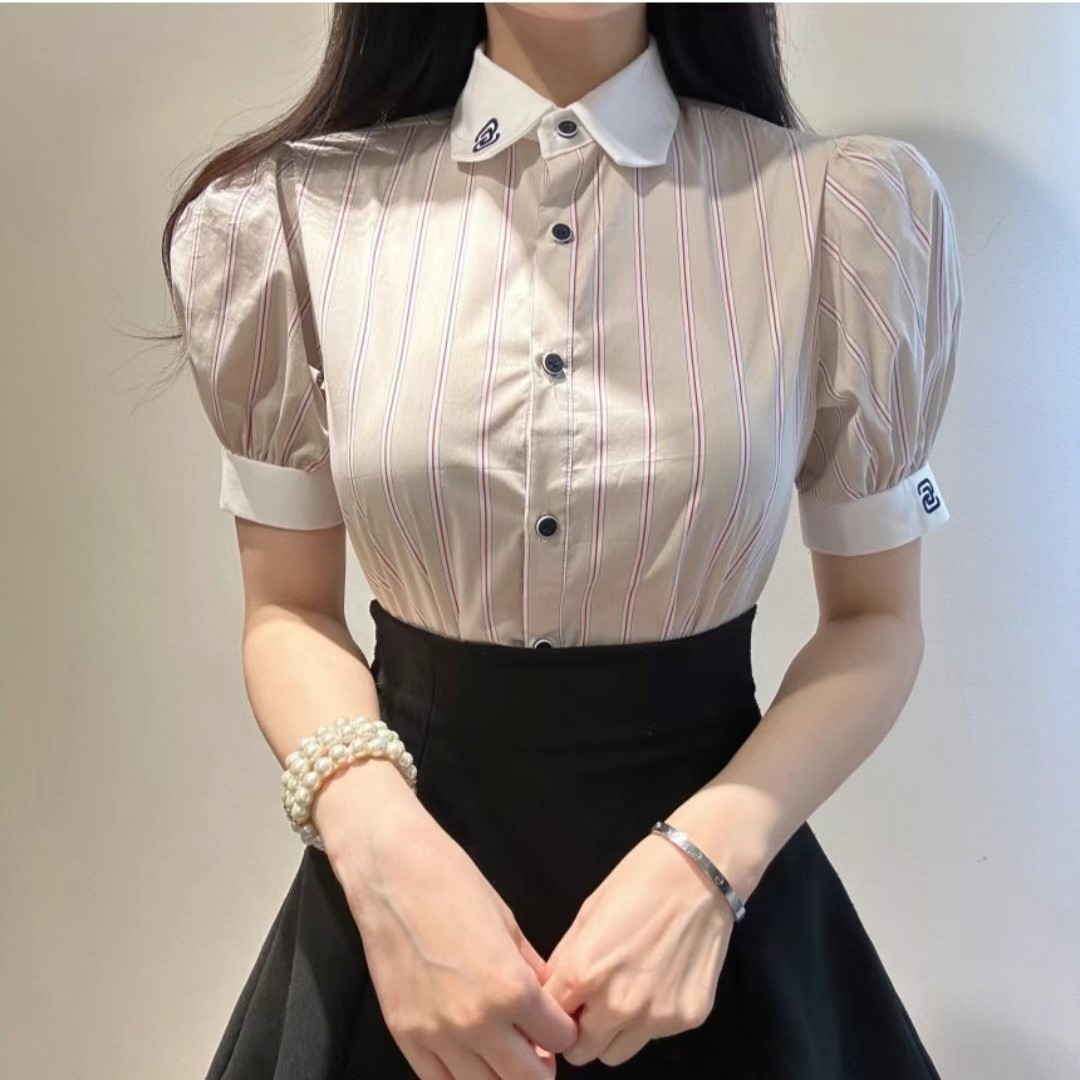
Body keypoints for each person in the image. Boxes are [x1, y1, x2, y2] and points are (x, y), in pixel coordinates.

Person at [163, 4, 962, 1078]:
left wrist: (707, 865)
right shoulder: (291, 217)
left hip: (720, 947)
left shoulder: (835, 211)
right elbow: (288, 611)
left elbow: (875, 623)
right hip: (400, 939)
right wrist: (382, 857)